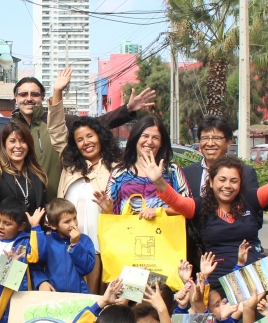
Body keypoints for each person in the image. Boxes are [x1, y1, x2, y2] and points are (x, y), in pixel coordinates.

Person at [149, 138, 268, 282]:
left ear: (240, 183)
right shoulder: (199, 206)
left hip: (256, 276)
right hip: (217, 279)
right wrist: (159, 181)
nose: (227, 186)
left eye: (234, 181)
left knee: (257, 317)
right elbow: (176, 201)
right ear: (211, 182)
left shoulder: (251, 199)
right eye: (222, 180)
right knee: (223, 317)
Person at [10, 69, 155, 203]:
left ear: (42, 97)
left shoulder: (59, 121)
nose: (29, 98)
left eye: (34, 94)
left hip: (58, 203)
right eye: (23, 94)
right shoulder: (9, 130)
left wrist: (126, 110)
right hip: (24, 203)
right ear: (15, 98)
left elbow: (94, 125)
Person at [54, 115, 123, 290]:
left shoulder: (117, 168)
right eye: (79, 139)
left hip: (99, 249)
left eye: (90, 136)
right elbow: (55, 129)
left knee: (95, 298)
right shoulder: (70, 166)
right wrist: (57, 93)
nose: (86, 142)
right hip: (66, 245)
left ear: (100, 136)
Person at [100, 116, 188, 218]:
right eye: (145, 136)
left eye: (155, 137)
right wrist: (107, 210)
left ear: (161, 143)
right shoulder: (119, 173)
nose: (149, 142)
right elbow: (111, 218)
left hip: (164, 233)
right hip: (128, 233)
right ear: (135, 139)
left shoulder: (172, 171)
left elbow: (187, 208)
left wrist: (158, 211)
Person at [183, 116, 259, 200]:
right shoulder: (186, 174)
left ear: (228, 142)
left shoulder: (246, 173)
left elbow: (254, 209)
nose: (210, 143)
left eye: (216, 138)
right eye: (205, 138)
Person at [34, 198, 95, 295]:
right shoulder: (47, 241)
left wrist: (75, 244)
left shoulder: (84, 240)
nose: (74, 224)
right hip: (52, 295)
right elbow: (35, 266)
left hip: (78, 295)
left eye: (74, 218)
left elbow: (86, 268)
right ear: (53, 225)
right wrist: (41, 281)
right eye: (67, 222)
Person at [0, 122, 48, 217]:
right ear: (4, 144)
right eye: (12, 141)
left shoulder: (38, 173)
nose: (18, 146)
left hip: (32, 231)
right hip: (1, 231)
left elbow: (43, 206)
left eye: (23, 141)